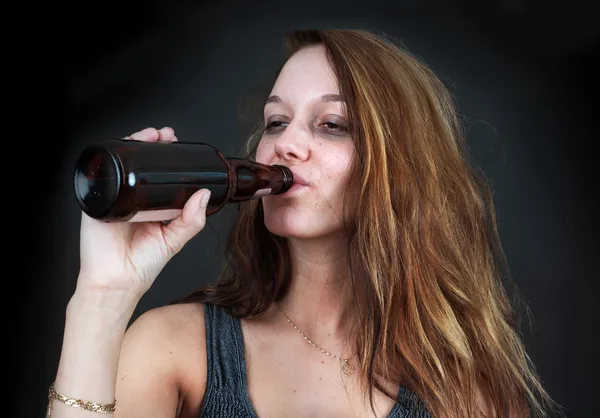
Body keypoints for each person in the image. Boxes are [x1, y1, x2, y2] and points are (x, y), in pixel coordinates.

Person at [49, 29, 562, 418]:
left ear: (402, 166)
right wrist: (101, 295)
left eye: (332, 125)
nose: (284, 145)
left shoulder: (465, 392)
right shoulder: (175, 349)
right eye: (276, 122)